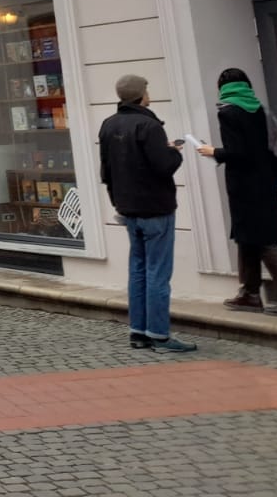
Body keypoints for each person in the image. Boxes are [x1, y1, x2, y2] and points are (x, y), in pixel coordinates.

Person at [98, 74, 195, 352]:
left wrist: (118, 201)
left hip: (128, 207)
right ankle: (159, 335)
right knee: (157, 273)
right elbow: (164, 166)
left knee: (138, 270)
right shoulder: (149, 125)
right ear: (141, 95)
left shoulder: (108, 124)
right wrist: (174, 152)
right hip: (155, 206)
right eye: (147, 91)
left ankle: (138, 332)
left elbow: (106, 171)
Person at [197, 68, 277, 315]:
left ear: (222, 88)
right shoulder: (261, 110)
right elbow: (271, 150)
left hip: (245, 186)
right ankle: (249, 293)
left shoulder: (228, 112)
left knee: (264, 241)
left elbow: (239, 152)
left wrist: (213, 152)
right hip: (265, 182)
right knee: (247, 237)